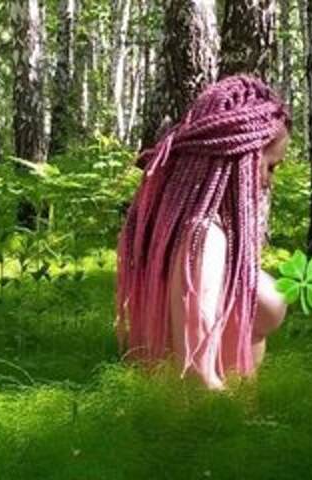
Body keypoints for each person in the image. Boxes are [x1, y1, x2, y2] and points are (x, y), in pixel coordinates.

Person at [115, 74, 291, 391]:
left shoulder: (175, 227)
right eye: (270, 166)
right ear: (242, 156)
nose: (269, 182)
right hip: (208, 417)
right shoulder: (204, 237)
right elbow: (197, 375)